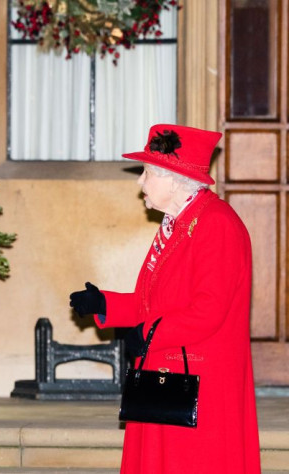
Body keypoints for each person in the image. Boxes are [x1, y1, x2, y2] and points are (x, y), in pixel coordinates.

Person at [69, 124, 261, 473]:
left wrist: (149, 333)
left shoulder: (216, 224)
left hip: (200, 382)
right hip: (167, 373)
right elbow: (153, 303)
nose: (139, 182)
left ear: (174, 177)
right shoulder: (180, 223)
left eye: (147, 173)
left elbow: (208, 310)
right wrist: (104, 305)